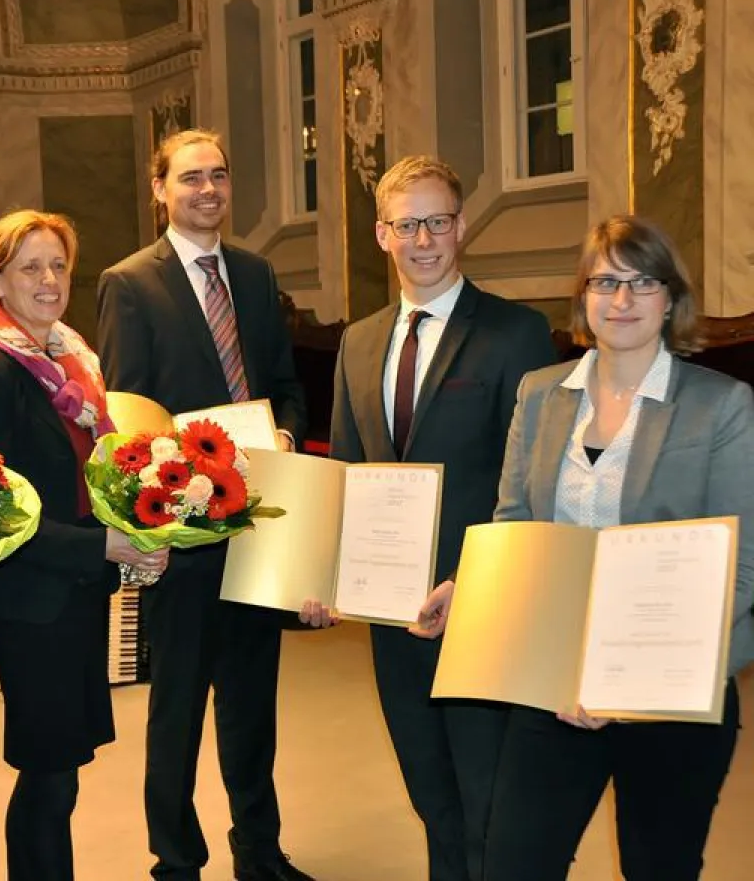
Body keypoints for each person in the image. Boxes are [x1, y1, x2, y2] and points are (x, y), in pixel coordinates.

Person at [467, 215, 754, 881]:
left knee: (658, 867)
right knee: (513, 863)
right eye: (605, 282)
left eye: (643, 282)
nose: (622, 299)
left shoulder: (722, 406)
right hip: (555, 683)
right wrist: (481, 593)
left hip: (672, 692)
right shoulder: (539, 394)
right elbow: (515, 530)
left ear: (671, 299)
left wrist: (628, 682)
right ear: (583, 296)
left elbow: (740, 569)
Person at [312, 155, 556, 881]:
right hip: (392, 618)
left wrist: (469, 580)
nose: (423, 240)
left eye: (438, 221)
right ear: (382, 234)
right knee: (432, 799)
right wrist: (326, 572)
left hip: (482, 607)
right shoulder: (359, 341)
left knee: (489, 803)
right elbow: (348, 473)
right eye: (407, 224)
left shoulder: (516, 333)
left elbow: (532, 482)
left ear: (461, 226)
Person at [98, 129, 310, 881]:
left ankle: (259, 851)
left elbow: (284, 383)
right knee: (178, 712)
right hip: (183, 534)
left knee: (253, 706)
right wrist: (179, 483)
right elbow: (127, 415)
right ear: (160, 189)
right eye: (190, 177)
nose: (208, 189)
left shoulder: (254, 273)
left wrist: (282, 434)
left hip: (259, 525)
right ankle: (177, 863)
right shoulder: (129, 282)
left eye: (218, 174)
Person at [0, 209, 168, 880]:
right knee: (47, 772)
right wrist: (102, 548)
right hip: (28, 602)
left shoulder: (75, 362)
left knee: (63, 771)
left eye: (58, 266)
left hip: (74, 593)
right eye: (29, 268)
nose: (48, 280)